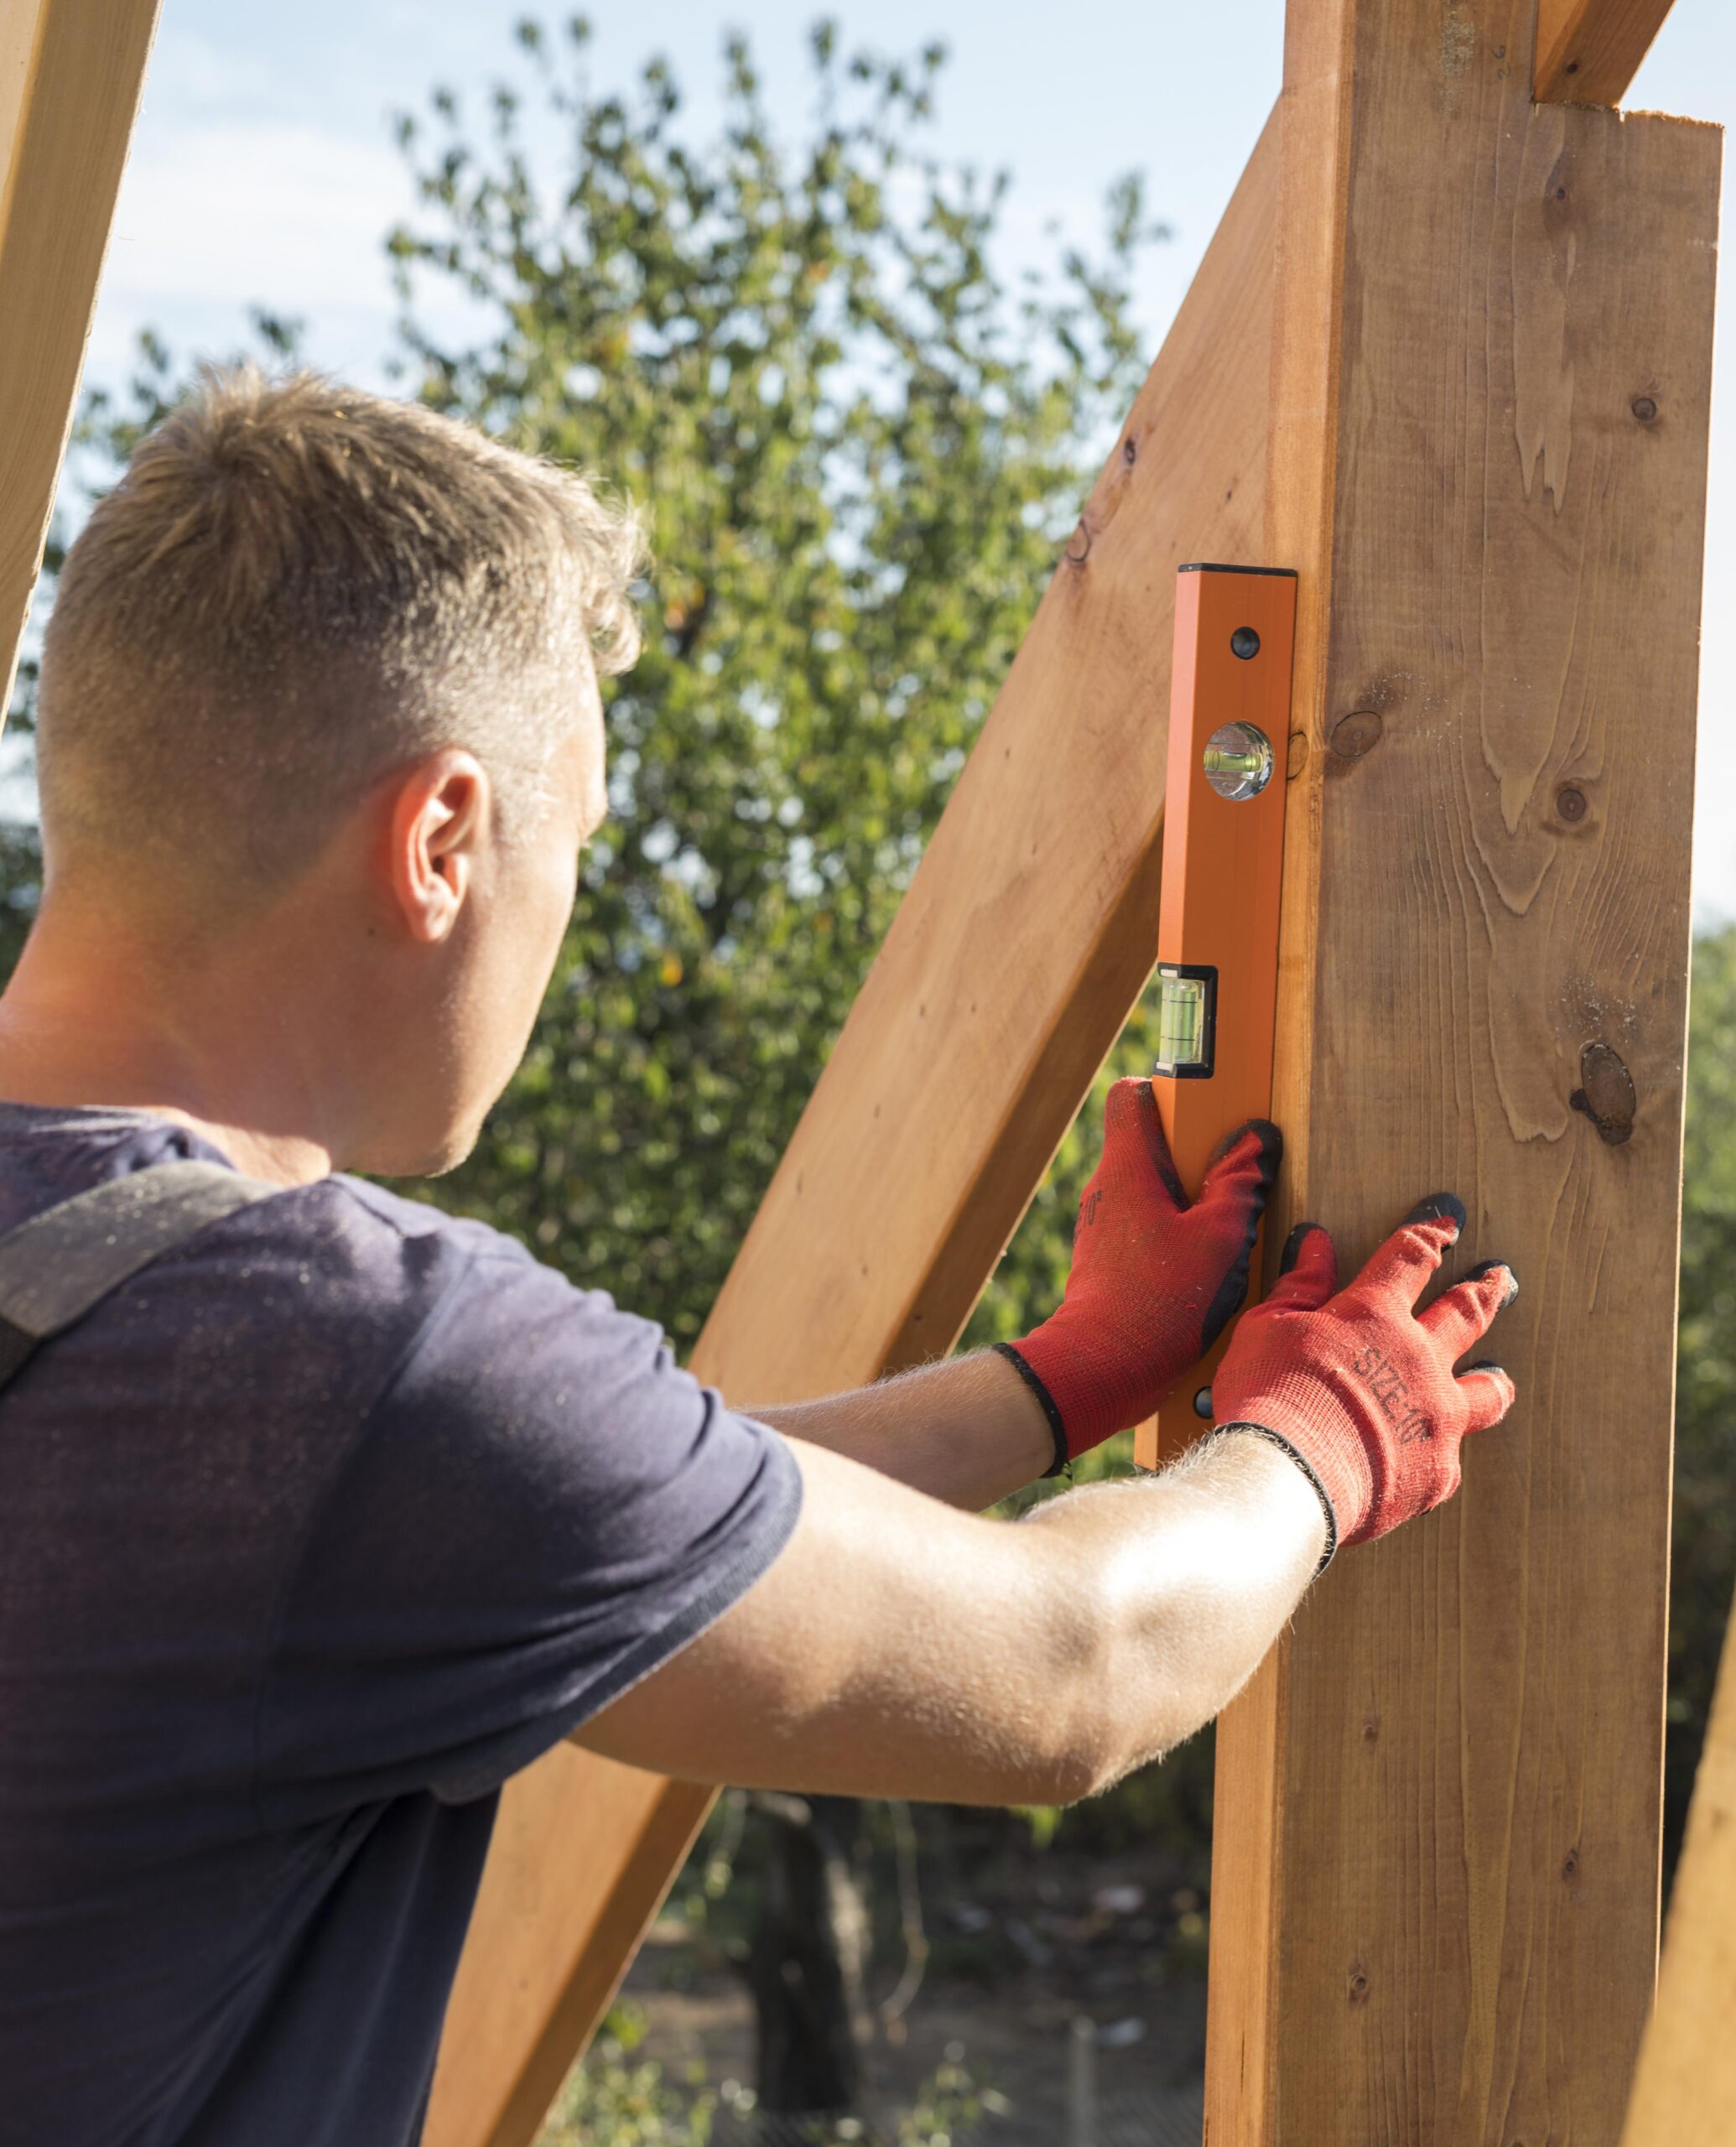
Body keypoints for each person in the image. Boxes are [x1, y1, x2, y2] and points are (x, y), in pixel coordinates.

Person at [0, 371, 1516, 2147]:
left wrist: (1064, 1374)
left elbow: (592, 1510)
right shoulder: (359, 1368)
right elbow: (1069, 1670)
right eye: (570, 841)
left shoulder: (303, 1401)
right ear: (438, 840)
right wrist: (1325, 1433)